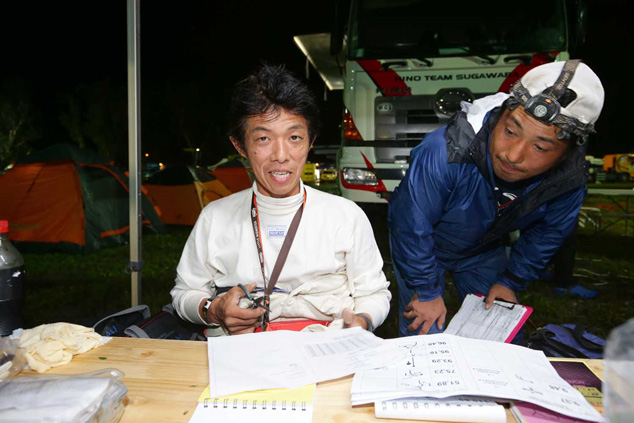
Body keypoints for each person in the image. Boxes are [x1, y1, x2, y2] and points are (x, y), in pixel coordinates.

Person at [388, 60, 604, 338]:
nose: (513, 155)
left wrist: (511, 281)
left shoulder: (568, 180)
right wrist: (426, 291)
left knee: (499, 338)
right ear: (499, 115)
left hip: (483, 250)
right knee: (423, 337)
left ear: (566, 153)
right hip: (425, 247)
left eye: (539, 146)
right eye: (510, 131)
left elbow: (548, 232)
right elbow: (411, 225)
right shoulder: (446, 151)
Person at [171, 64, 391, 336]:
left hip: (325, 348)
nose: (281, 155)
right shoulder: (215, 217)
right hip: (240, 354)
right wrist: (212, 310)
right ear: (240, 145)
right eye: (264, 138)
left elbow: (375, 293)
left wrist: (362, 321)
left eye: (294, 137)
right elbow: (185, 292)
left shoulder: (345, 215)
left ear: (310, 142)